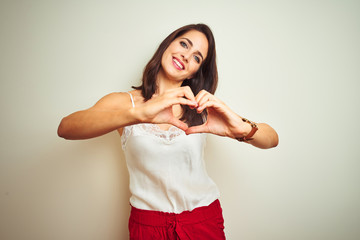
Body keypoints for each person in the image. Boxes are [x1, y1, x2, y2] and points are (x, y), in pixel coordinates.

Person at [58, 23, 278, 240]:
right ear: (167, 45)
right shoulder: (126, 102)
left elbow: (271, 139)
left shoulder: (199, 106)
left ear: (195, 72)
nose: (186, 56)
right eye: (184, 44)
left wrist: (240, 129)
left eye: (196, 57)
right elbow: (66, 127)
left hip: (203, 222)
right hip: (147, 227)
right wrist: (139, 113)